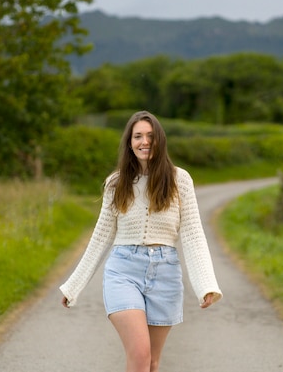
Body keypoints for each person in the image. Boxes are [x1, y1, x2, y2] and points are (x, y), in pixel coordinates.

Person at [59, 110, 222, 372]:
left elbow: (192, 234)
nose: (144, 142)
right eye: (138, 136)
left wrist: (206, 285)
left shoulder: (180, 180)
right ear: (129, 142)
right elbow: (101, 237)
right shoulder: (116, 183)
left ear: (160, 140)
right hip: (123, 271)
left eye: (150, 136)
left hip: (165, 273)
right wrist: (74, 285)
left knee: (152, 362)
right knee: (139, 354)